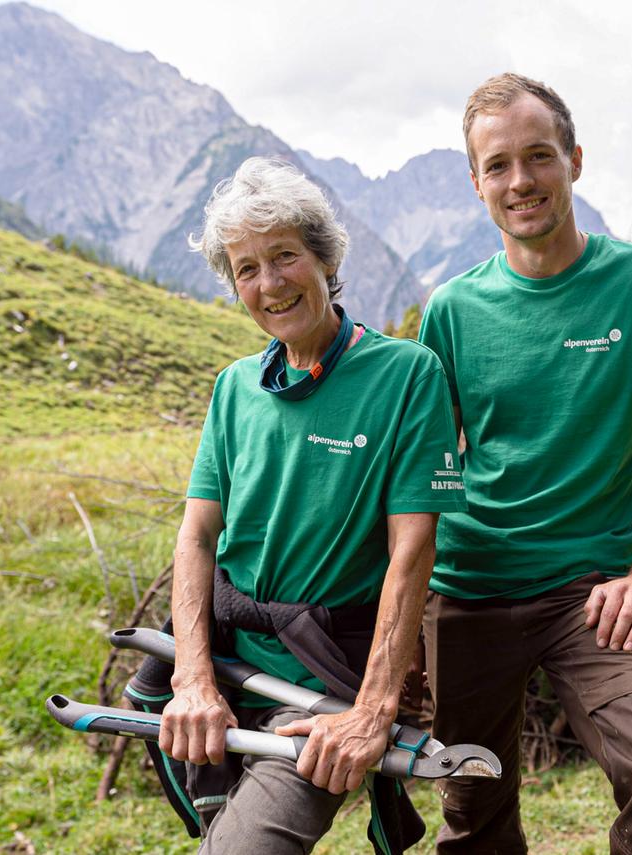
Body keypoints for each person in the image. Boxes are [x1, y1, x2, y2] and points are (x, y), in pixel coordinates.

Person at [417, 73, 632, 854]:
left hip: (595, 596)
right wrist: (404, 602)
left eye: (538, 157)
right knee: (473, 815)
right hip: (465, 592)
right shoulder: (451, 310)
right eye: (498, 166)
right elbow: (430, 468)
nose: (520, 181)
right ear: (476, 183)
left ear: (575, 161)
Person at [156, 156, 465, 854]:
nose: (269, 283)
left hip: (324, 685)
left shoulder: (407, 375)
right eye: (246, 268)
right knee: (225, 833)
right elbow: (198, 536)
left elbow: (413, 550)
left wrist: (374, 706)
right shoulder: (234, 388)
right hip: (231, 670)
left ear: (325, 257)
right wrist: (194, 677)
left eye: (285, 256)